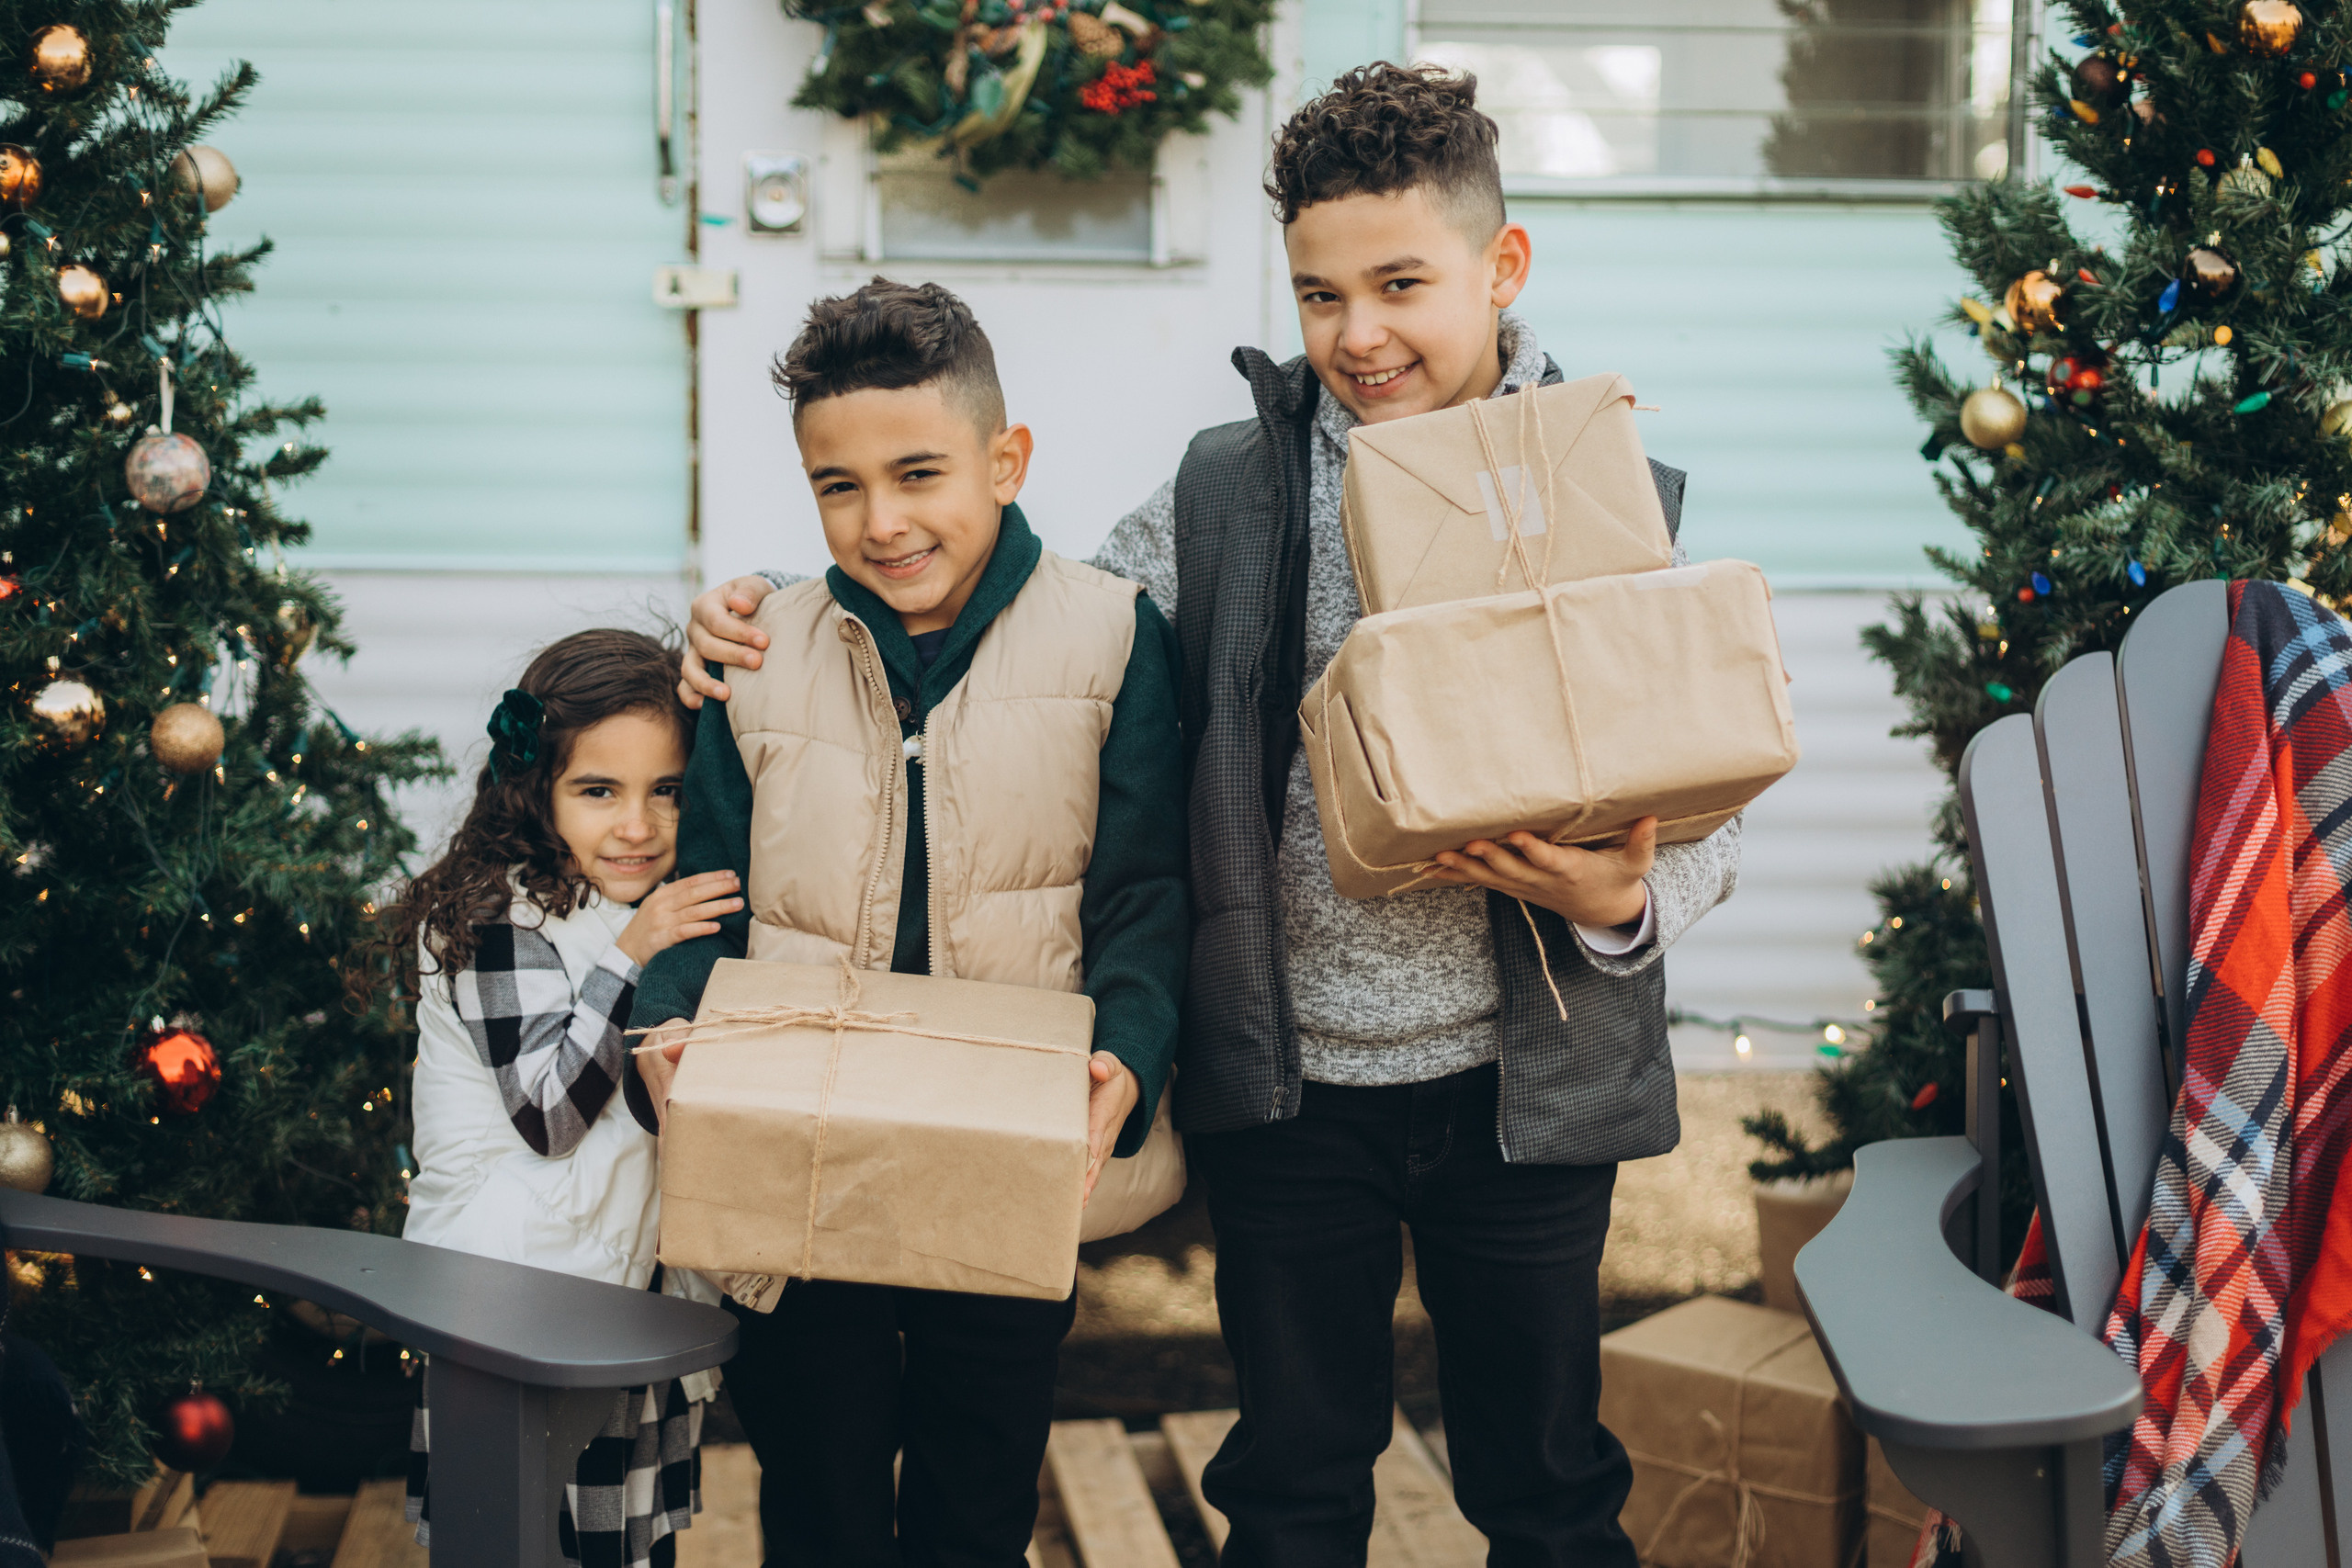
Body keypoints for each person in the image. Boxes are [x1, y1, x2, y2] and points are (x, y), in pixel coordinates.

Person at [679, 65, 1737, 1567]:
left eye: (1399, 285)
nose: (1358, 333)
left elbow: (1704, 781)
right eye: (1320, 295)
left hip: (1530, 1080)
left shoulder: (1597, 485)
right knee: (1293, 1483)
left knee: (1547, 1477)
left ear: (1499, 268)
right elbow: (1055, 630)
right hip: (1291, 1089)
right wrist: (778, 617)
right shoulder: (1227, 487)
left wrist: (1621, 899)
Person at [628, 277, 1189, 1568]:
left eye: (919, 472)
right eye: (839, 485)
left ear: (1006, 459)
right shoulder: (762, 646)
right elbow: (707, 889)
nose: (881, 522)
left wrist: (1132, 1050)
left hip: (1004, 1152)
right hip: (797, 1150)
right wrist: (671, 1025)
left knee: (975, 1497)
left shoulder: (1112, 637)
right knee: (814, 1494)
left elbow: (1145, 891)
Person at [389, 628, 743, 1568]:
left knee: (621, 1545)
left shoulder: (640, 913)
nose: (638, 825)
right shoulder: (494, 925)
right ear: (535, 790)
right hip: (513, 1305)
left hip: (615, 1299)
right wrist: (634, 957)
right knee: (518, 1532)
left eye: (665, 790)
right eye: (599, 790)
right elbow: (549, 1114)